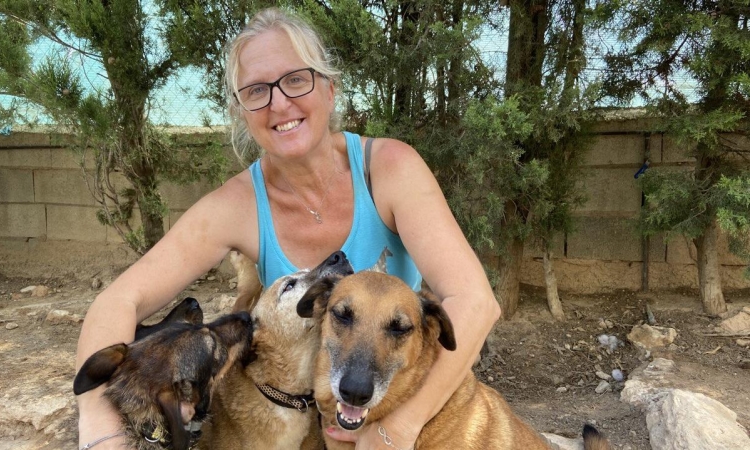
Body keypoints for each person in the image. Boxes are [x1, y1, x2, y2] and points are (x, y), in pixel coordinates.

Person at [75, 7, 500, 450]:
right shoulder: (235, 206)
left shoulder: (389, 170)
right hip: (295, 418)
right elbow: (121, 298)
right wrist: (98, 426)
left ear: (330, 89)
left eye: (296, 79)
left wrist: (399, 427)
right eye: (257, 90)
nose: (279, 103)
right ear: (242, 112)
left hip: (383, 403)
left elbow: (475, 302)